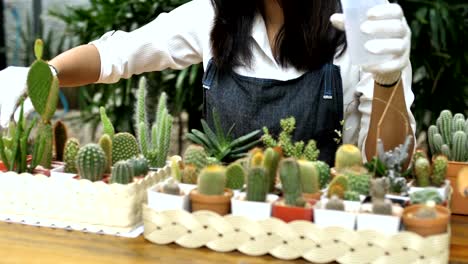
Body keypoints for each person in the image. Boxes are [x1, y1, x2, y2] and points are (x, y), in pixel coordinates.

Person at [0, 0, 415, 165]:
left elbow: (389, 162)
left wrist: (388, 79)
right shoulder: (214, 15)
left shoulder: (367, 21)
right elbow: (117, 54)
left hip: (319, 230)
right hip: (215, 225)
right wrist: (42, 73)